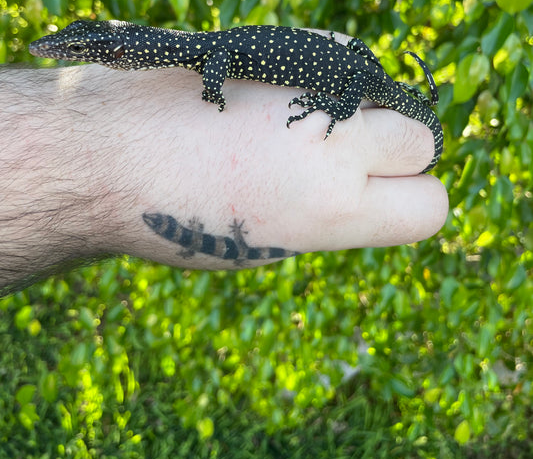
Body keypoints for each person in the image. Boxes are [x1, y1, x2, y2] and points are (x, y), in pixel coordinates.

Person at [0, 30, 448, 297]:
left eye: (85, 50)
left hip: (355, 81)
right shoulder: (199, 51)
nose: (63, 51)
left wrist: (214, 98)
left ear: (124, 56)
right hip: (355, 73)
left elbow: (216, 74)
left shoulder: (206, 56)